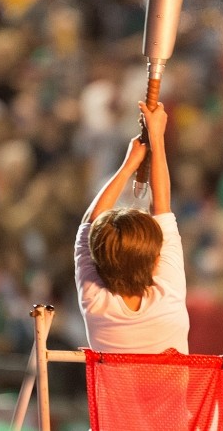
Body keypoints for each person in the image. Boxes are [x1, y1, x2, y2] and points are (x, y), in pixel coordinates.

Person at [74, 102, 189, 353]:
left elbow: (88, 224)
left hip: (114, 396)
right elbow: (162, 206)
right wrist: (157, 138)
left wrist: (128, 165)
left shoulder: (95, 302)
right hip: (174, 395)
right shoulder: (168, 292)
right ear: (155, 256)